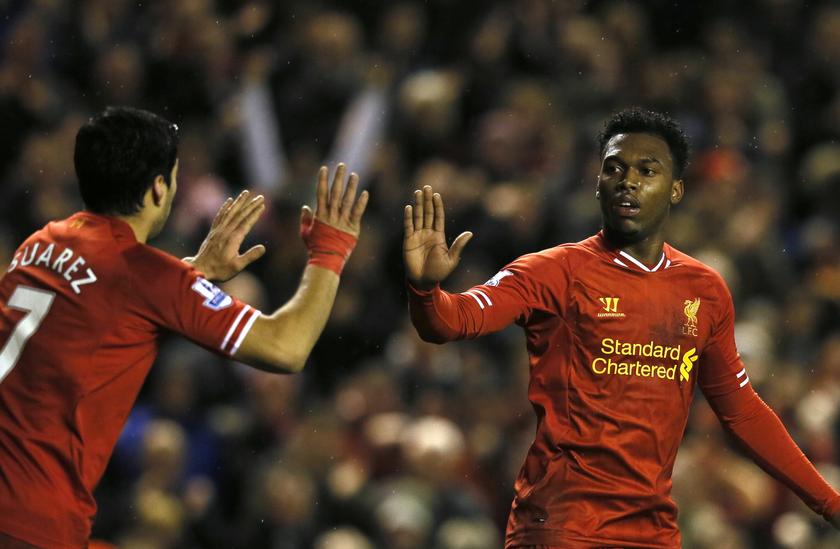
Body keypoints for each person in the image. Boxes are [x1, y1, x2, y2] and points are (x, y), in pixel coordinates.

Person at [403, 108, 840, 548]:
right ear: (597, 184)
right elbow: (449, 321)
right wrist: (425, 289)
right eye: (614, 168)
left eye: (647, 170)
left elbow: (742, 411)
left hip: (652, 532)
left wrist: (831, 505)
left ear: (676, 190)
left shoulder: (704, 290)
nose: (627, 180)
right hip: (562, 527)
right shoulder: (553, 271)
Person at [0, 106, 368, 549]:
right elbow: (286, 347)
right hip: (32, 521)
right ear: (159, 187)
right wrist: (329, 252)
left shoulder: (39, 243)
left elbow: (104, 300)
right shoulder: (148, 276)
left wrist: (191, 275)